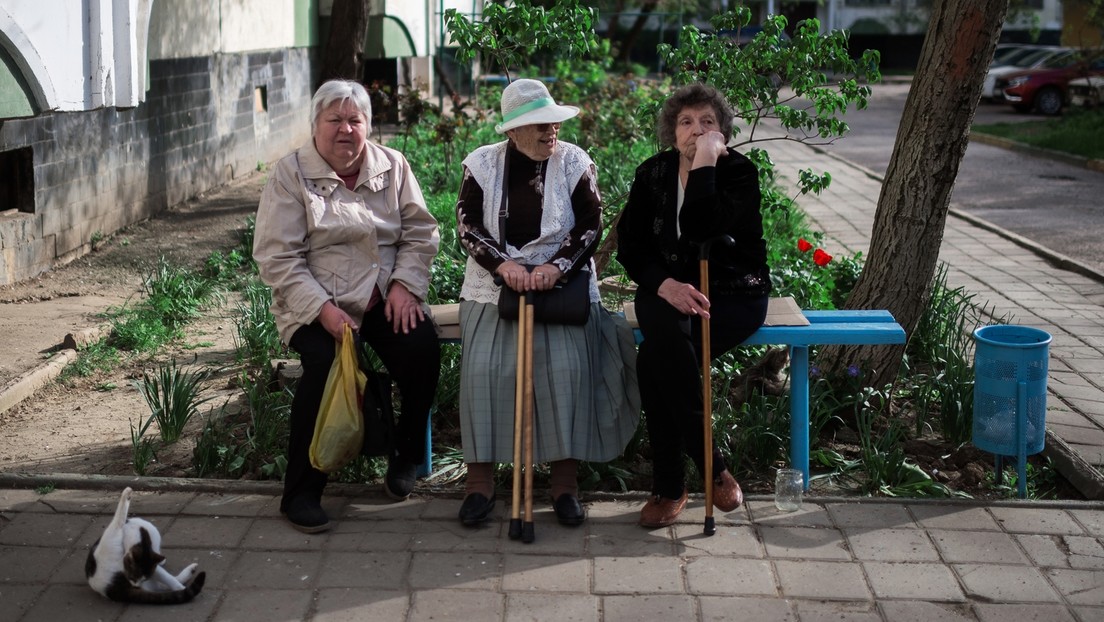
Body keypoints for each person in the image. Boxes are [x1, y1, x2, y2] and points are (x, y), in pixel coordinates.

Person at [253, 79, 441, 534]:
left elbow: (420, 233)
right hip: (316, 301)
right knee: (323, 367)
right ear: (315, 125)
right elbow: (278, 257)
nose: (345, 130)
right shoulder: (291, 173)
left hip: (381, 294)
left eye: (354, 120)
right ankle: (301, 492)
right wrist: (321, 310)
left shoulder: (392, 165)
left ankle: (406, 455)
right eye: (334, 120)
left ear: (368, 126)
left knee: (421, 349)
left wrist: (404, 286)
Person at [454, 78, 640, 527]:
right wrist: (504, 266)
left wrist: (555, 266)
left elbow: (590, 226)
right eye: (539, 125)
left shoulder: (575, 161)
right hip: (495, 284)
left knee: (567, 374)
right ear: (513, 131)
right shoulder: (481, 164)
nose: (550, 131)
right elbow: (468, 226)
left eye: (553, 123)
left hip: (564, 284)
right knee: (484, 373)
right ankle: (480, 486)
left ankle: (564, 487)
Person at [616, 83, 771, 528]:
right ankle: (713, 467)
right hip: (665, 289)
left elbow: (703, 224)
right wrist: (663, 284)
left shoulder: (740, 173)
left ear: (723, 131)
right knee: (665, 342)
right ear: (672, 130)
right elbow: (632, 246)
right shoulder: (651, 174)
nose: (697, 131)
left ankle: (669, 486)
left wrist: (705, 163)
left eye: (708, 122)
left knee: (654, 363)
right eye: (687, 122)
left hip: (732, 295)